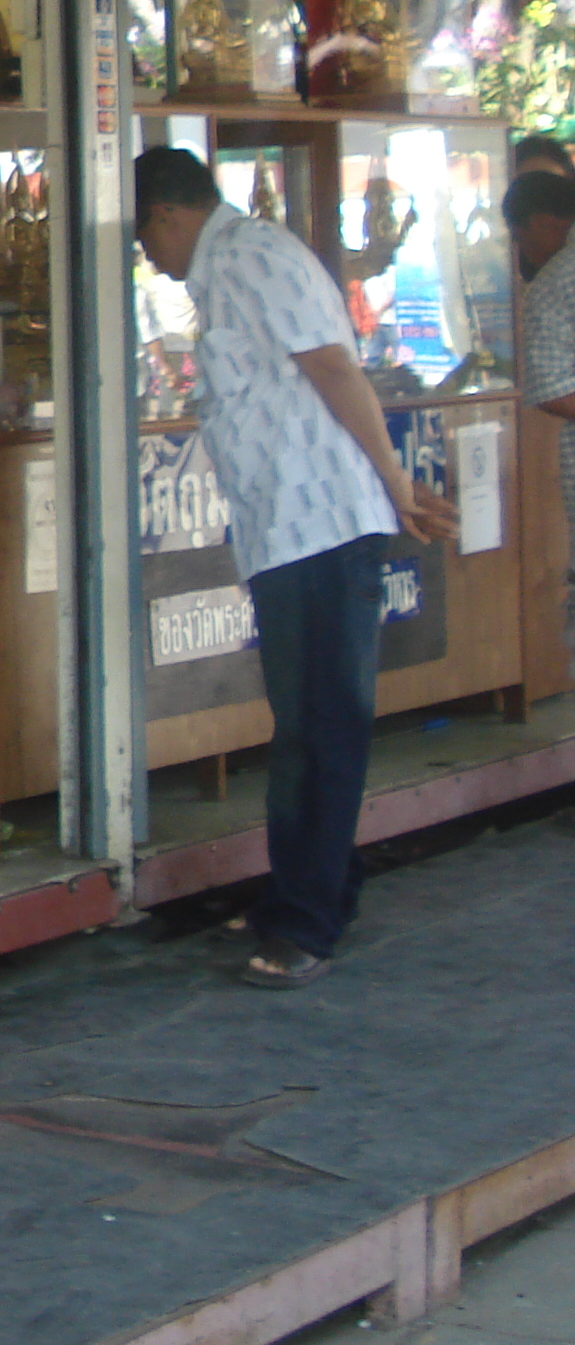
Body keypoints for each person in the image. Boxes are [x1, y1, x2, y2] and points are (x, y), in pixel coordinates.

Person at [134, 146, 454, 991]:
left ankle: (306, 920)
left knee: (323, 726)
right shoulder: (226, 270)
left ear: (167, 214)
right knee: (304, 724)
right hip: (284, 529)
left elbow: (334, 367)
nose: (150, 260)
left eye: (145, 240)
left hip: (324, 524)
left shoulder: (255, 258)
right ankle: (311, 889)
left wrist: (394, 484)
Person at [506, 170, 575, 664]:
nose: (519, 250)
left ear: (543, 223)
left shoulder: (552, 287)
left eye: (517, 235)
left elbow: (553, 391)